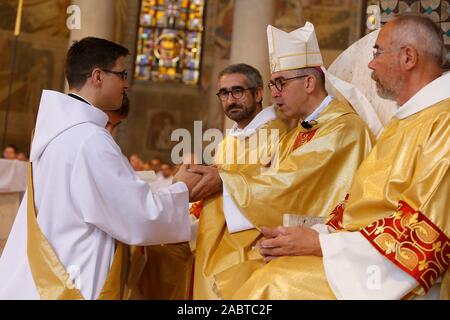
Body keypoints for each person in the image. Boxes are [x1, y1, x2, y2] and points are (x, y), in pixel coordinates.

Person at [217, 15, 450, 300]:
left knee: (273, 283)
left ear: (408, 57)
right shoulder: (407, 120)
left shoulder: (443, 122)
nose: (370, 64)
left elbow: (424, 230)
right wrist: (321, 235)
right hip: (356, 251)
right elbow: (359, 204)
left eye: (377, 53)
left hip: (390, 272)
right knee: (248, 274)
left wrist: (321, 244)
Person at [0, 37, 199, 300]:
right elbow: (137, 215)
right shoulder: (89, 139)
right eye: (122, 74)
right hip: (75, 278)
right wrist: (181, 187)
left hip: (49, 272)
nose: (126, 84)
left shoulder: (56, 133)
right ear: (97, 76)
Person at [187, 23, 375, 299]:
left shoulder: (343, 129)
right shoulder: (300, 131)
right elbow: (273, 175)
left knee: (250, 282)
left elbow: (291, 183)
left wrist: (225, 182)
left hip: (327, 241)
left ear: (309, 83)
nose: (274, 93)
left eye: (281, 83)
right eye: (272, 83)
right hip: (285, 232)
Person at [193, 63, 288, 299]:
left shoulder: (280, 133)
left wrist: (224, 181)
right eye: (224, 93)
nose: (230, 99)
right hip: (214, 239)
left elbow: (281, 188)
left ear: (257, 94)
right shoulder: (228, 142)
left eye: (237, 91)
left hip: (254, 244)